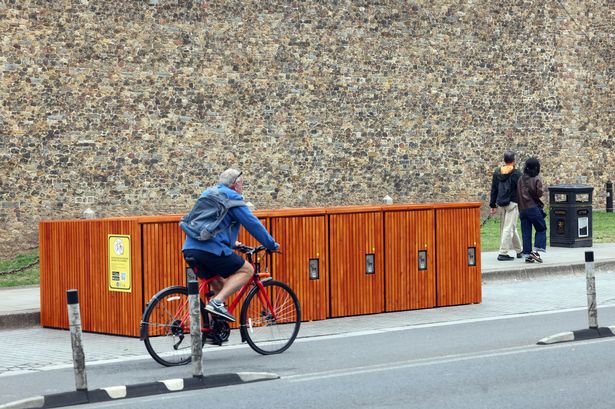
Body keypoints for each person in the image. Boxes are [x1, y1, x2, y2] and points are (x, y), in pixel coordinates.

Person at [182, 168, 279, 322]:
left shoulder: (208, 194)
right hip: (210, 251)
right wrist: (271, 244)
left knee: (220, 284)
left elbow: (210, 224)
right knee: (247, 270)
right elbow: (253, 224)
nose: (242, 188)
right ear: (235, 185)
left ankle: (214, 329)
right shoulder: (232, 198)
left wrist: (232, 243)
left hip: (190, 249)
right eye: (242, 184)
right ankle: (216, 303)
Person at [489, 150, 523, 261]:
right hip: (513, 203)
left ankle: (519, 250)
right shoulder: (517, 173)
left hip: (501, 202)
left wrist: (492, 204)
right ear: (514, 160)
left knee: (511, 226)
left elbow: (494, 189)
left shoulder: (497, 172)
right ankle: (503, 253)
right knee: (508, 228)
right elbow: (521, 190)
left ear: (504, 160)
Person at [517, 157, 546, 263]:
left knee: (526, 233)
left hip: (522, 210)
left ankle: (528, 255)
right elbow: (539, 193)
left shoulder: (520, 179)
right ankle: (536, 251)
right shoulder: (536, 178)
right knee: (541, 228)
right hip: (533, 208)